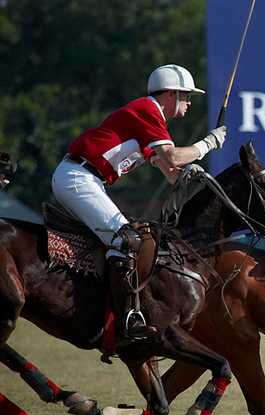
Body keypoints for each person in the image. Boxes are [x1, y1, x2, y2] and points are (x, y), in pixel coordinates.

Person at [51, 64, 226, 339]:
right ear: (170, 95)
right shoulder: (147, 110)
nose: (189, 103)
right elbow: (173, 157)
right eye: (186, 96)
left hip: (86, 179)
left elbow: (171, 173)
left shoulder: (150, 122)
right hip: (79, 177)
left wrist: (190, 174)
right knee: (126, 240)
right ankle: (127, 318)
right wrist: (207, 144)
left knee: (131, 238)